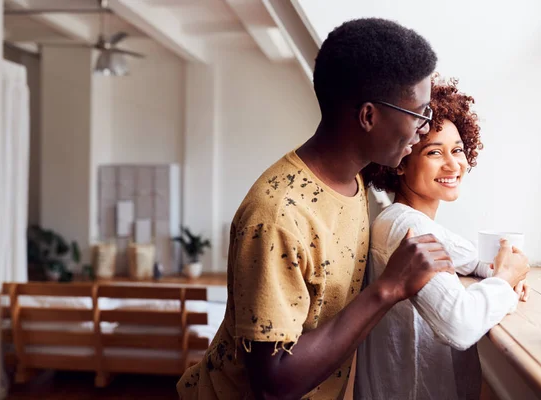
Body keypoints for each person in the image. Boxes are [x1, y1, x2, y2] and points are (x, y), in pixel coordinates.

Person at [176, 17, 455, 400]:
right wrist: (388, 288)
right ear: (369, 116)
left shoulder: (353, 180)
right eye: (418, 114)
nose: (424, 129)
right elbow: (272, 384)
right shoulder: (277, 214)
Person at [355, 76, 530, 400]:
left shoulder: (404, 219)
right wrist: (505, 278)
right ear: (401, 162)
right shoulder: (406, 227)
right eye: (435, 152)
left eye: (458, 149)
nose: (454, 164)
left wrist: (501, 272)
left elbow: (468, 258)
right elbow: (460, 325)